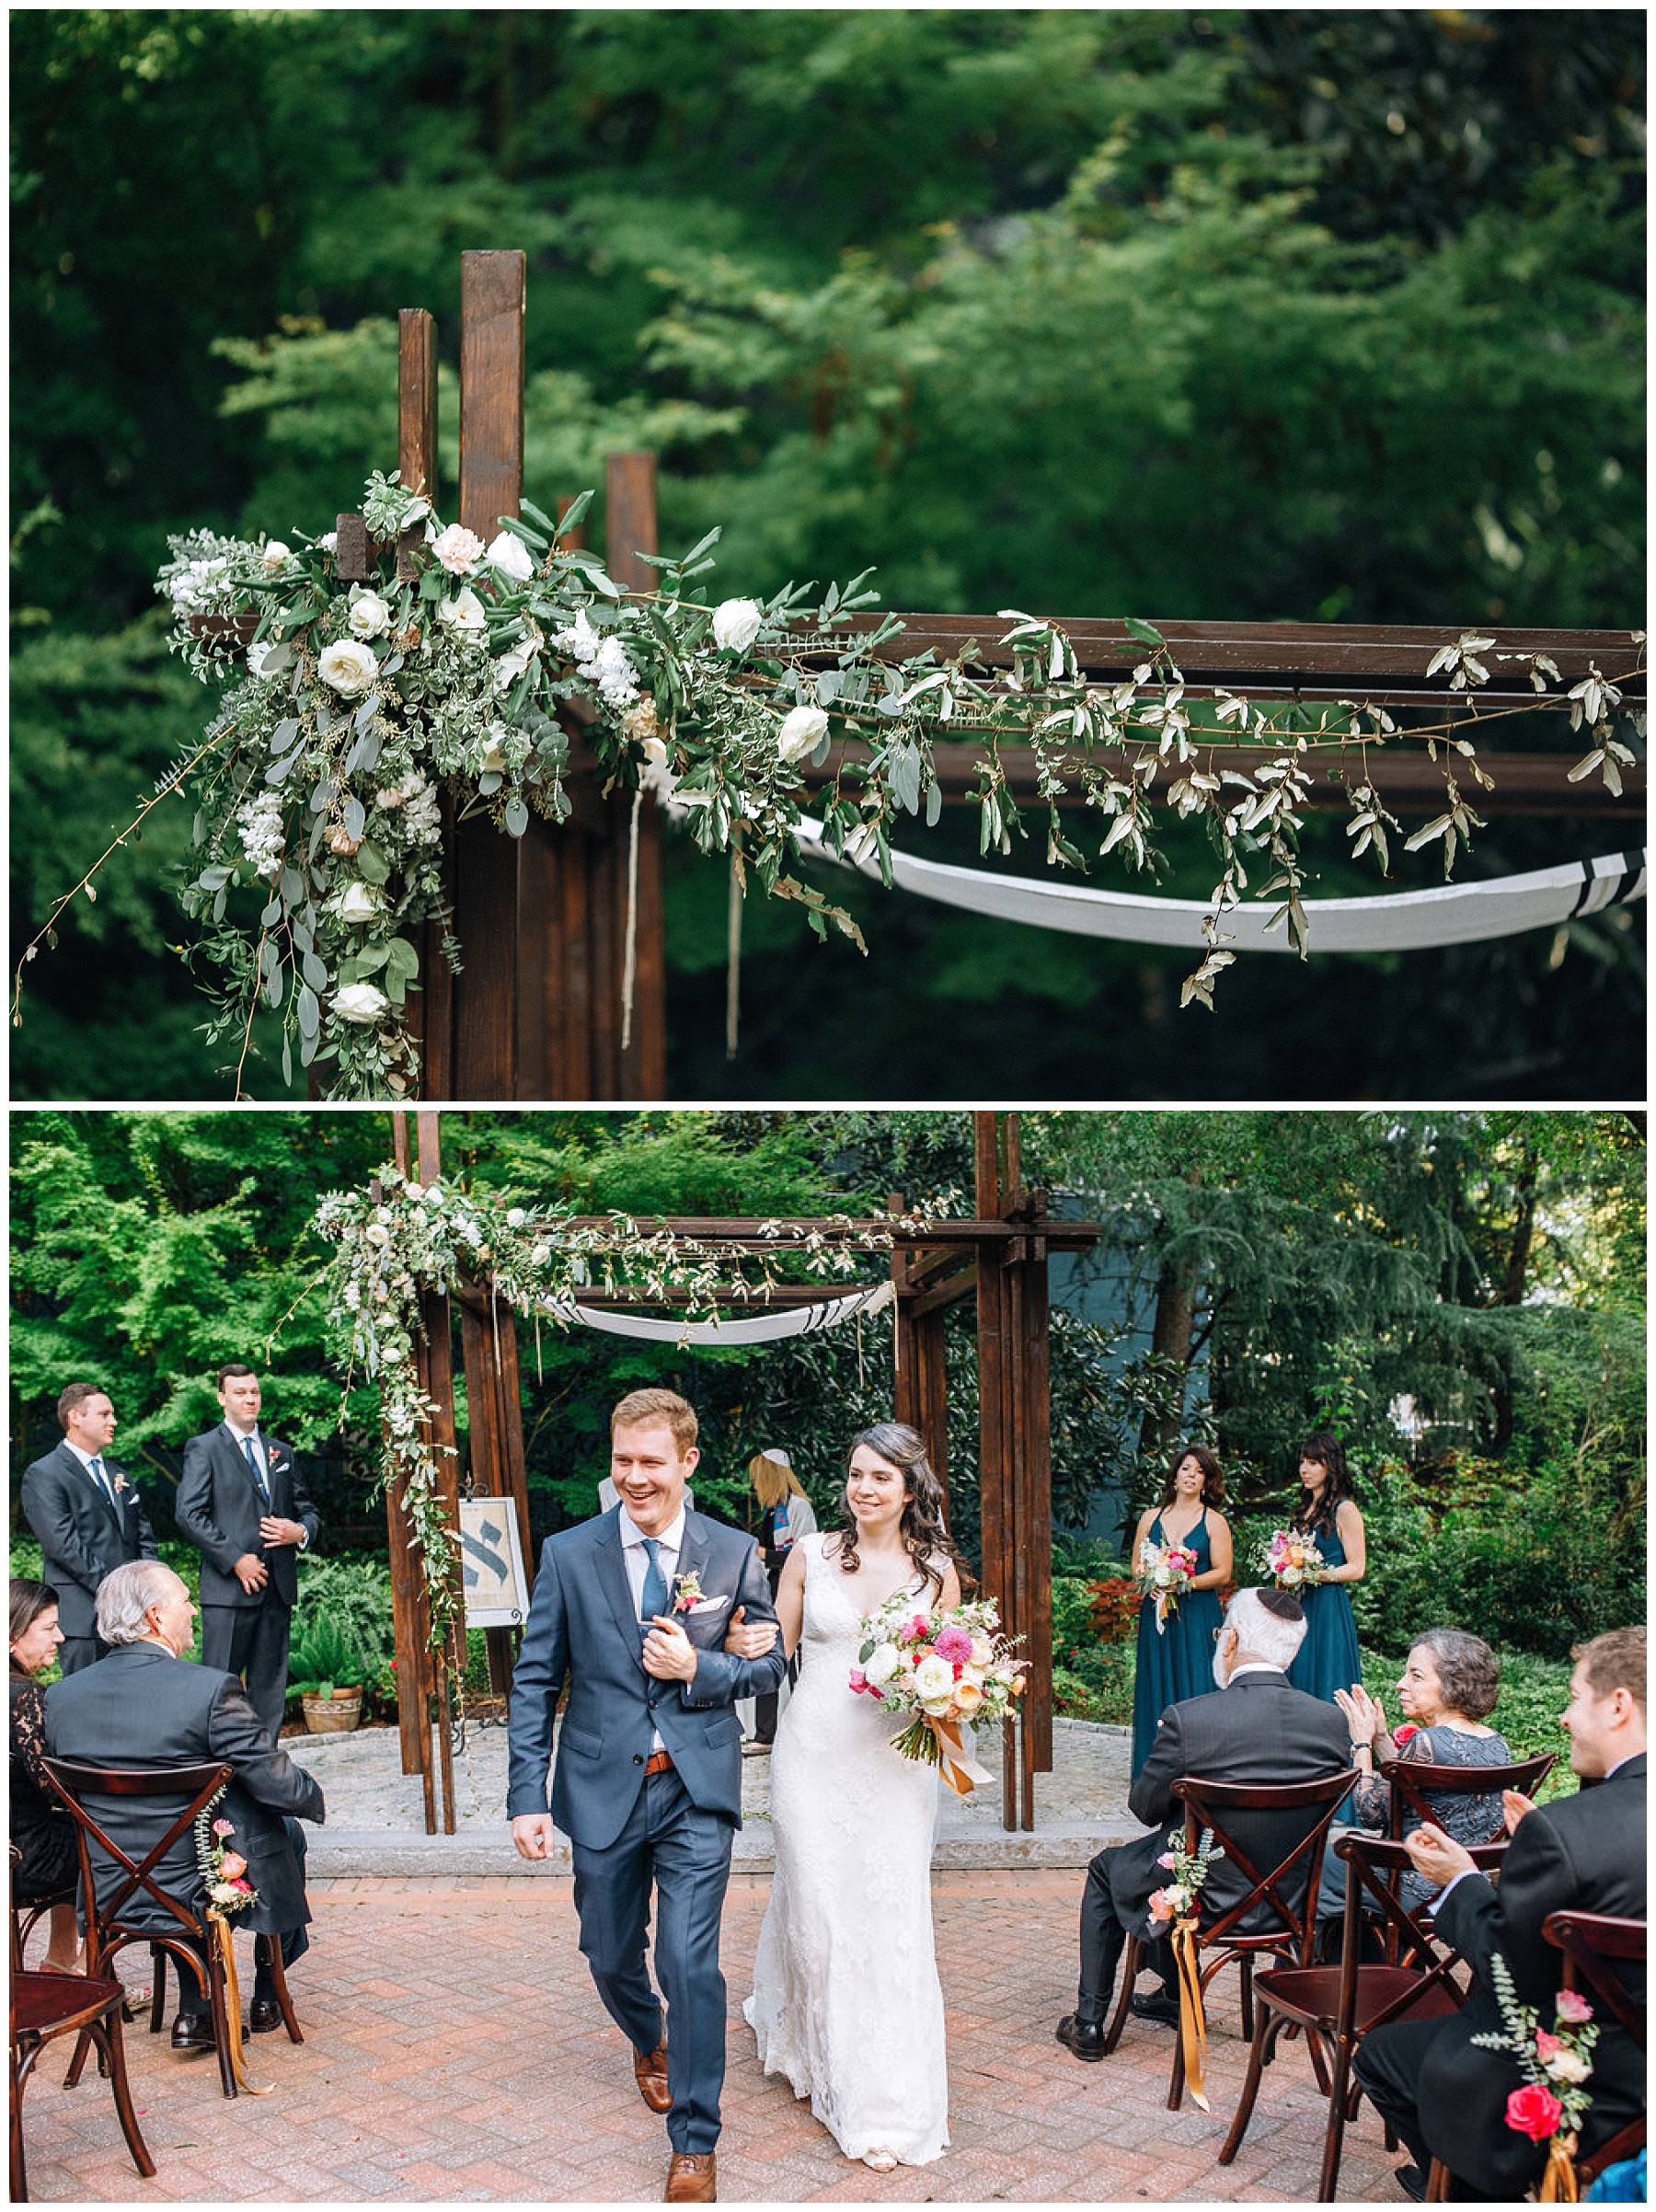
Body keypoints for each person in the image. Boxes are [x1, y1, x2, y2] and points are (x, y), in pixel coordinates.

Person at [507, 1388, 785, 2206]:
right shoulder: (566, 1552)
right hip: (600, 1787)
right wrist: (528, 1796)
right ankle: (647, 2035)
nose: (635, 1477)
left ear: (687, 1463)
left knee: (689, 1960)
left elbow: (768, 1668)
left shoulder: (734, 1553)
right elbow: (533, 1682)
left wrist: (705, 1668)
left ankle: (695, 2140)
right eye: (623, 1461)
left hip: (696, 1785)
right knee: (607, 1952)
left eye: (651, 1462)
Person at [730, 1422, 960, 2172]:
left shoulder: (937, 1572)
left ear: (909, 1488)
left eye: (881, 1478)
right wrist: (741, 1647)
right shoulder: (809, 1555)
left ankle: (883, 2095)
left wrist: (958, 1704)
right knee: (821, 1912)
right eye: (856, 1474)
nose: (864, 1488)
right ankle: (822, 2062)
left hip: (897, 1765)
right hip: (814, 1756)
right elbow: (772, 1654)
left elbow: (957, 1676)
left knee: (889, 1913)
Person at [1354, 1626, 1646, 2204]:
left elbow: (1508, 1973)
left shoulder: (1567, 1831)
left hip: (1589, 2081)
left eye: (1574, 1697)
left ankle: (1471, 2189)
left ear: (1618, 1707)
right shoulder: (1563, 1828)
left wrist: (1461, 1880)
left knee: (1383, 2054)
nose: (1564, 1717)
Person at [1056, 1585, 1354, 2061]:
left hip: (1202, 1894)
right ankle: (1174, 1995)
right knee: (1169, 1855)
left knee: (1107, 1868)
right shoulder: (1329, 1723)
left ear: (1230, 1640)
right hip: (1291, 1898)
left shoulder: (1191, 1719)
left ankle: (1090, 2022)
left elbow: (1145, 1808)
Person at [44, 1561, 325, 2052]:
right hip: (193, 1886)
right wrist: (312, 1794)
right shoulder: (209, 1690)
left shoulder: (64, 1697)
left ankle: (197, 2003)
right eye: (184, 1601)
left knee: (210, 1823)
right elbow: (278, 1784)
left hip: (108, 1888)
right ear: (156, 1617)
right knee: (281, 1830)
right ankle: (266, 1987)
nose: (193, 1610)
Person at [1321, 1628, 1511, 1923]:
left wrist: (1361, 1743)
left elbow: (1370, 1812)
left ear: (1453, 1685)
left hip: (1414, 1884)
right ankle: (1384, 1958)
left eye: (1416, 1676)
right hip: (1469, 1884)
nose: (1400, 1684)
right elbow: (1413, 1783)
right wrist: (1382, 1738)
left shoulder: (1427, 1742)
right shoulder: (1497, 1742)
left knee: (1318, 1862)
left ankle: (1328, 1964)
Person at [175, 1364, 319, 1744]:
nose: (250, 1399)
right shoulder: (204, 1448)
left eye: (254, 1391)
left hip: (276, 1591)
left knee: (269, 1692)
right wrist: (236, 1559)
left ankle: (265, 1775)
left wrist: (298, 1532)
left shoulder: (281, 1451)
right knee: (219, 1691)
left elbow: (309, 1512)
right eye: (240, 1392)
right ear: (222, 1398)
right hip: (228, 1593)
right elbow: (188, 1514)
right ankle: (217, 1776)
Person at [19, 1383, 156, 1675]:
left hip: (131, 1616)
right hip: (83, 1615)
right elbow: (62, 1545)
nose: (114, 1421)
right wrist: (118, 1591)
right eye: (105, 1414)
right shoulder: (45, 1474)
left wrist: (149, 1585)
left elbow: (143, 1537)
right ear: (75, 1418)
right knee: (85, 1704)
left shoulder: (119, 1475)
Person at [1128, 1444, 1233, 1776]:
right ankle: (1155, 1769)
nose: (1192, 1476)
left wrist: (1184, 1583)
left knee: (1198, 1679)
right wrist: (1155, 1579)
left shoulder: (1213, 1522)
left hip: (1197, 1614)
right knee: (1156, 1678)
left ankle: (1201, 1768)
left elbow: (1223, 1572)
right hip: (1157, 1613)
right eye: (1186, 1469)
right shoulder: (1151, 1518)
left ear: (1206, 1481)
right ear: (1174, 1475)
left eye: (1200, 1472)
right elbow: (1136, 1566)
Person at [10, 1579, 82, 1971]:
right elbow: (55, 1790)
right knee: (113, 1844)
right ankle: (92, 1967)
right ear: (11, 1636)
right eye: (48, 1627)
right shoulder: (22, 1696)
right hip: (25, 1860)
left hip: (17, 1848)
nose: (60, 1636)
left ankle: (60, 1959)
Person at [743, 1447, 817, 1753]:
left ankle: (805, 1731)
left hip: (795, 1588)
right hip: (770, 1587)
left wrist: (763, 1554)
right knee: (769, 1655)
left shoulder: (798, 1508)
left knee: (798, 1661)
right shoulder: (773, 1511)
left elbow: (806, 1554)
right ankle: (765, 1735)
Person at [1283, 1432, 1365, 1704]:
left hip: (1328, 1606)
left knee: (1328, 1673)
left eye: (1313, 1463)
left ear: (1331, 1465)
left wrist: (1313, 1575)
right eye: (1302, 1462)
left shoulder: (1345, 1509)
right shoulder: (1303, 1510)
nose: (1304, 1470)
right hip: (1300, 1603)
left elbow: (1356, 1568)